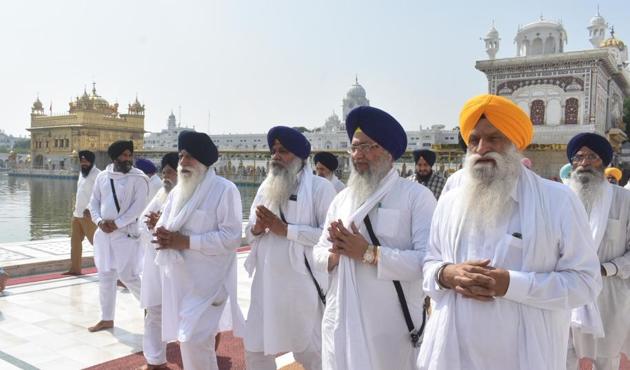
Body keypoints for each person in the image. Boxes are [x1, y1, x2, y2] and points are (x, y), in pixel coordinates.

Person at [417, 94, 601, 370]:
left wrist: (511, 284)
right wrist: (446, 274)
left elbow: (586, 283)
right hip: (454, 355)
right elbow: (429, 263)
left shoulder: (558, 201)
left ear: (516, 144)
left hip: (522, 357)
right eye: (474, 140)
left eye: (494, 138)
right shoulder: (451, 201)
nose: (482, 148)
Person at [312, 106, 436, 370]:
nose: (358, 155)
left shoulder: (416, 197)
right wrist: (335, 253)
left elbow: (428, 262)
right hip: (341, 319)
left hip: (391, 329)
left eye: (368, 147)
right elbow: (318, 251)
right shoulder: (342, 199)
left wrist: (369, 253)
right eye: (355, 148)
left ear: (389, 152)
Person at [244, 126, 336, 370]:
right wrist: (257, 228)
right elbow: (249, 232)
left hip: (301, 285)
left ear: (299, 157)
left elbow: (329, 238)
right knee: (255, 349)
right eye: (273, 150)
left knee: (311, 353)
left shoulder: (320, 188)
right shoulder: (266, 188)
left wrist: (286, 229)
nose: (275, 156)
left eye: (282, 151)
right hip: (265, 285)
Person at [153, 131, 244, 370]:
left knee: (193, 341)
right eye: (181, 156)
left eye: (189, 157)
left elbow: (231, 238)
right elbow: (165, 224)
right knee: (192, 343)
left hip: (210, 285)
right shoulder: (176, 192)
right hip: (182, 283)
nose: (182, 162)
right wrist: (161, 234)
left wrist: (186, 242)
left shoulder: (225, 190)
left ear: (203, 161)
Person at [566, 133, 630, 370]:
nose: (584, 163)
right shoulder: (562, 199)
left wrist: (607, 268)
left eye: (592, 157)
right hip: (568, 290)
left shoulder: (625, 200)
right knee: (566, 356)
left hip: (610, 293)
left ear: (604, 162)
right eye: (578, 157)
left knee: (607, 359)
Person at [88, 140, 149, 332]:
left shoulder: (139, 178)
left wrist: (117, 223)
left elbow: (138, 207)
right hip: (104, 234)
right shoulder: (103, 176)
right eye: (123, 155)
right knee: (105, 274)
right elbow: (93, 203)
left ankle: (152, 308)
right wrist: (99, 221)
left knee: (128, 275)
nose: (127, 159)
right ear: (114, 157)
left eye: (129, 155)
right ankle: (107, 318)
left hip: (125, 233)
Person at [138, 152, 178, 370]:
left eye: (170, 171)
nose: (166, 176)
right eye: (164, 171)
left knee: (194, 317)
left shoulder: (191, 196)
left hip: (181, 267)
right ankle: (155, 361)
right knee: (154, 311)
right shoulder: (161, 195)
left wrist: (161, 225)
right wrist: (152, 226)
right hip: (156, 264)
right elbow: (141, 225)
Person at [66, 150, 100, 275]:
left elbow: (99, 195)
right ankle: (75, 269)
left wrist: (90, 208)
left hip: (89, 215)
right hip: (77, 214)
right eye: (82, 161)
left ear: (91, 161)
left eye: (86, 161)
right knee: (75, 243)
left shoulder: (98, 175)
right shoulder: (82, 173)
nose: (84, 163)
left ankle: (111, 270)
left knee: (97, 243)